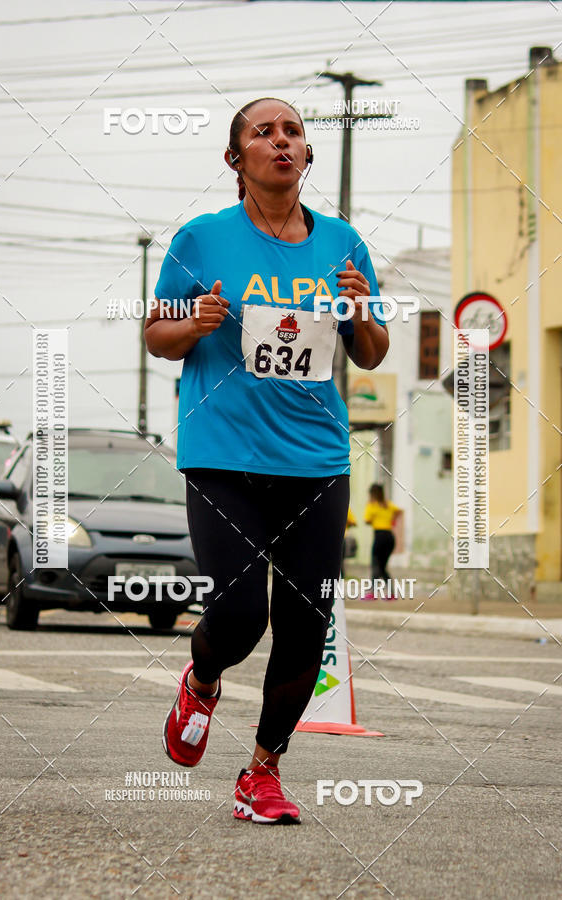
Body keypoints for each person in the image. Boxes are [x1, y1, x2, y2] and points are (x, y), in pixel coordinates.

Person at [145, 97, 388, 825]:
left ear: (307, 156)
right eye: (264, 132)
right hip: (223, 455)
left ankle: (262, 771)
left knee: (307, 624)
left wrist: (360, 315)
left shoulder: (343, 244)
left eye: (293, 132)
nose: (281, 141)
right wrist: (194, 322)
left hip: (316, 458)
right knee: (242, 610)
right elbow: (156, 334)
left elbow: (371, 355)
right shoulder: (202, 240)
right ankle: (204, 677)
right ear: (236, 159)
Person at [363, 483, 401, 600]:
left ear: (372, 494)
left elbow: (367, 520)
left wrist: (375, 518)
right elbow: (398, 511)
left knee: (375, 564)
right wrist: (392, 520)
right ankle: (391, 594)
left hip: (379, 536)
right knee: (382, 567)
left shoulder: (372, 505)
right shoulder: (388, 504)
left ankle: (372, 593)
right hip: (390, 537)